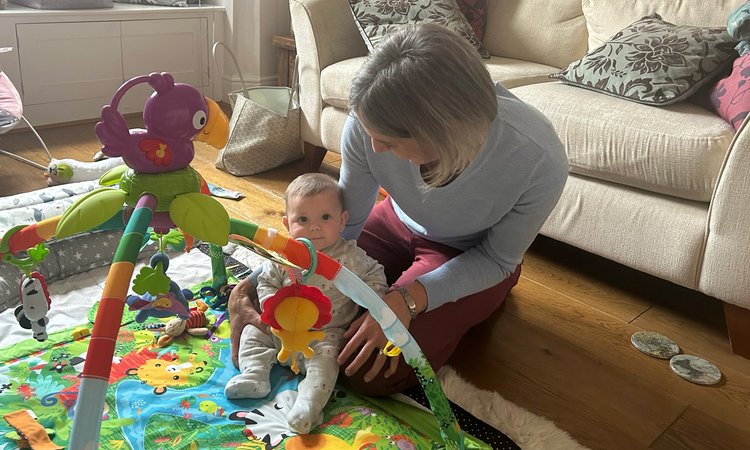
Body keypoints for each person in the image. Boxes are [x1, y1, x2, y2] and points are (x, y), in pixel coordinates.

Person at [229, 23, 567, 398]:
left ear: (444, 132)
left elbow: (497, 258)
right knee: (290, 308)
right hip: (394, 222)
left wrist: (406, 299)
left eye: (389, 142)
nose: (374, 149)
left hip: (473, 255)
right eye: (371, 134)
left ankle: (480, 304)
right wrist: (263, 275)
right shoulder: (368, 121)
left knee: (367, 370)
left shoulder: (537, 157)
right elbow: (344, 225)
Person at [225, 173, 388, 434]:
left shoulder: (352, 257)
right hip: (279, 330)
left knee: (327, 363)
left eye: (325, 217)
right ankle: (254, 375)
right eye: (303, 219)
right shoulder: (283, 254)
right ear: (287, 223)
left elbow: (375, 274)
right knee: (251, 332)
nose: (314, 227)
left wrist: (374, 302)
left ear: (343, 220)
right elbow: (266, 281)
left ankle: (308, 406)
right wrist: (270, 307)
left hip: (324, 334)